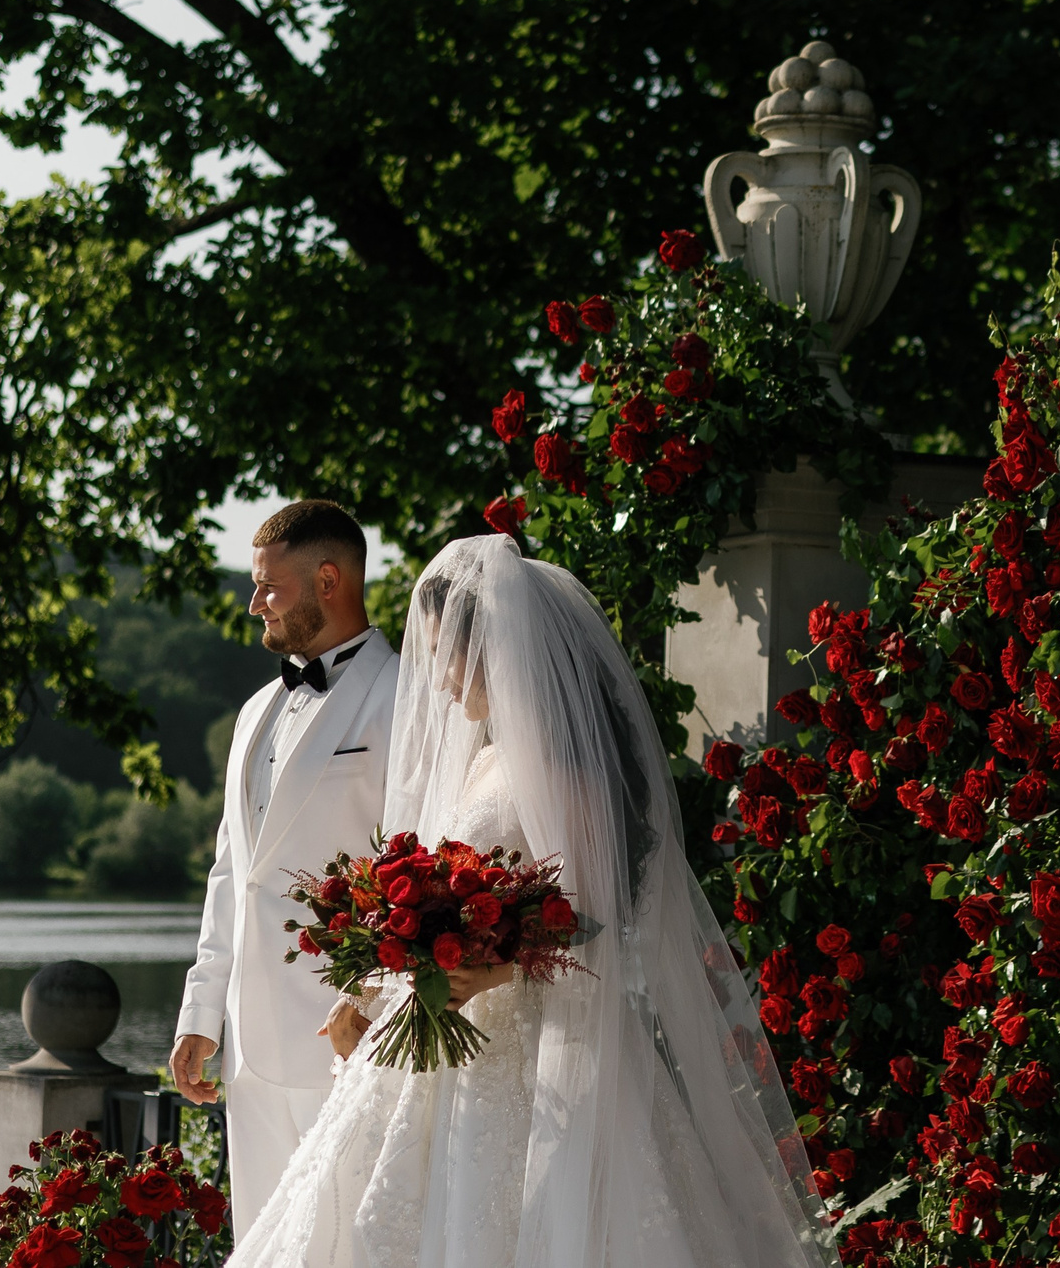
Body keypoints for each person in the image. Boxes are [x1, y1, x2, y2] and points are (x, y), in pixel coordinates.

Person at [228, 533, 823, 1268]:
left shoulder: (558, 771)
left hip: (540, 1046)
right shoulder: (481, 759)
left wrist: (501, 969)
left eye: (447, 654)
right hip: (445, 1031)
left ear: (492, 650)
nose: (440, 680)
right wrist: (378, 986)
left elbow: (595, 914)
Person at [173, 500, 402, 1240]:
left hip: (346, 1033)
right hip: (249, 1048)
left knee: (348, 1243)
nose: (255, 603)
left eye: (270, 587)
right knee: (266, 1243)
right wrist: (200, 1015)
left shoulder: (403, 696)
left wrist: (373, 999)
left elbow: (418, 864)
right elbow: (231, 873)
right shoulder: (253, 711)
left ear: (328, 580)